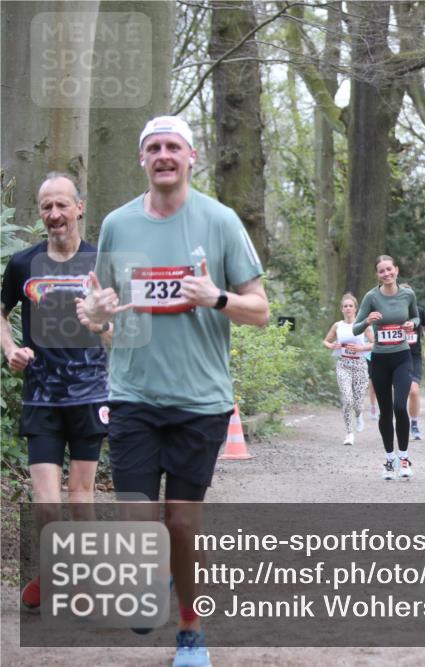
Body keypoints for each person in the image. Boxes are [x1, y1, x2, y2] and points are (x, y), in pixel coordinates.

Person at [77, 115, 268, 667]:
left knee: (182, 523)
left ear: (192, 157)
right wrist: (92, 315)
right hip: (134, 393)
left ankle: (190, 629)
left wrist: (216, 297)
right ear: (143, 159)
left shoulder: (221, 220)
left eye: (173, 147)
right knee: (136, 515)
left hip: (200, 401)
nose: (164, 155)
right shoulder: (117, 225)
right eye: (154, 148)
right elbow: (104, 315)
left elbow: (260, 310)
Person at [1, 173, 110, 612]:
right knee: (45, 497)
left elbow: (122, 331)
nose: (54, 215)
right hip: (41, 395)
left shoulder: (101, 263)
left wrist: (101, 325)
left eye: (62, 205)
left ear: (79, 207)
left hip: (89, 394)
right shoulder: (24, 263)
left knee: (81, 494)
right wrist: (10, 348)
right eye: (46, 207)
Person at [354, 256, 419, 480]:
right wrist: (367, 321)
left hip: (402, 357)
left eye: (389, 269)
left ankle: (404, 457)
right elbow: (355, 329)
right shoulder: (371, 297)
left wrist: (413, 324)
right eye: (381, 271)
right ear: (377, 275)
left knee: (400, 406)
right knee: (385, 410)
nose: (386, 274)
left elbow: (416, 317)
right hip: (380, 359)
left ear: (396, 270)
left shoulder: (407, 294)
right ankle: (390, 459)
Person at [323, 293, 374, 445]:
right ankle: (349, 433)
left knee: (357, 404)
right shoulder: (338, 325)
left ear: (356, 308)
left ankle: (359, 415)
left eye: (350, 306)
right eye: (345, 306)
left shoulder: (363, 324)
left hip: (360, 365)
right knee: (347, 399)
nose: (348, 308)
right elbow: (325, 341)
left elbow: (375, 343)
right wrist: (331, 345)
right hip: (343, 365)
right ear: (341, 309)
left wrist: (362, 347)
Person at [400, 283, 425, 440]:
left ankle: (414, 424)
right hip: (396, 356)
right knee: (400, 395)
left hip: (414, 357)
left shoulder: (419, 311)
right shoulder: (393, 313)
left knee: (413, 391)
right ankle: (401, 422)